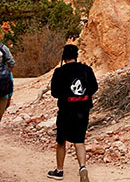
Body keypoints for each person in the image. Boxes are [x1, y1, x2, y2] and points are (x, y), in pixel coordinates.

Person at [48, 44, 97, 182]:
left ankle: (59, 171)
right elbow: (94, 87)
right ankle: (82, 167)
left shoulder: (59, 72)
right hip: (83, 110)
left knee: (61, 141)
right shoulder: (86, 69)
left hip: (65, 111)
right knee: (79, 140)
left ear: (64, 56)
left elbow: (54, 93)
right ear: (76, 55)